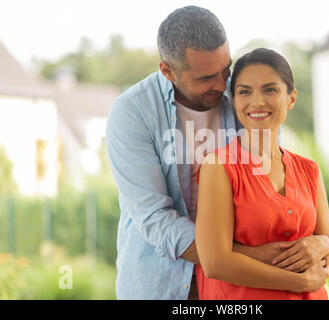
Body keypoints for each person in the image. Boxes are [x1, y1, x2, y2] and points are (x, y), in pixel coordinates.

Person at [105, 6, 311, 300]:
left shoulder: (240, 94)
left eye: (225, 70)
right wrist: (247, 257)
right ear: (168, 71)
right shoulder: (133, 112)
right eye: (205, 78)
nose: (221, 85)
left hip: (239, 287)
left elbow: (277, 178)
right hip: (162, 282)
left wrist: (321, 244)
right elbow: (156, 219)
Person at [194, 48, 329, 300]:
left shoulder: (309, 170)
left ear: (291, 98)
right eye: (245, 92)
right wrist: (299, 281)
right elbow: (215, 262)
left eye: (270, 89)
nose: (257, 101)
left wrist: (323, 246)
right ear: (235, 100)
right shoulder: (218, 165)